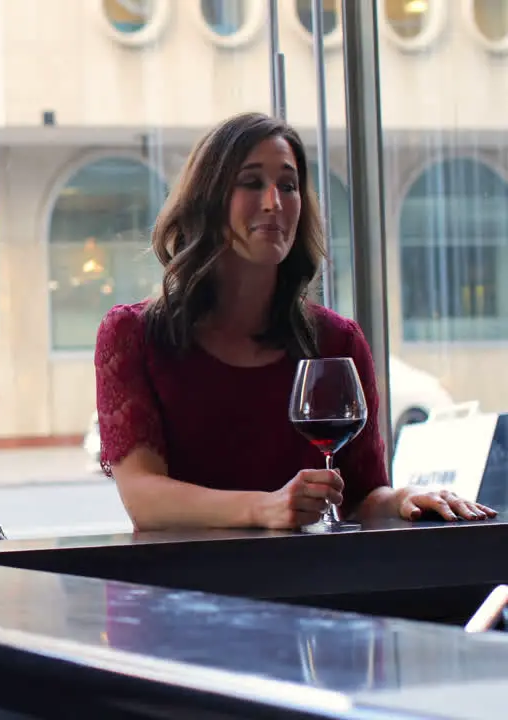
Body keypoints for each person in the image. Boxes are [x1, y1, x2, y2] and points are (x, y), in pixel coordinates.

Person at [95, 112, 497, 532]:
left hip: (305, 585)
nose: (275, 201)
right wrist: (264, 508)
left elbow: (361, 496)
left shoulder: (338, 340)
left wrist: (403, 498)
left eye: (288, 185)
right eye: (251, 183)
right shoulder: (133, 334)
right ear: (206, 201)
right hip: (176, 589)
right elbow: (143, 496)